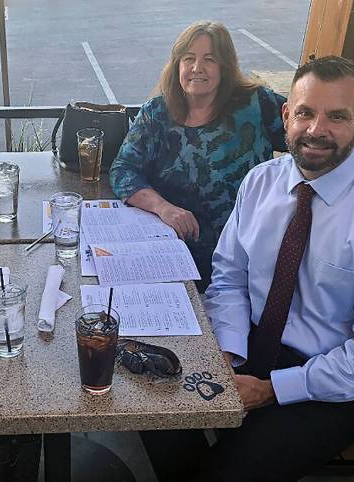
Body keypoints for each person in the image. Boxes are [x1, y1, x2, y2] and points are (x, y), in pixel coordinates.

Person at [142, 56, 354, 481]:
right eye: (306, 113)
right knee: (151, 405)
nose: (316, 130)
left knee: (229, 471)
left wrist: (274, 389)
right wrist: (225, 351)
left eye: (337, 117)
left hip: (330, 378)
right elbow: (229, 278)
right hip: (249, 343)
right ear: (287, 115)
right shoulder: (260, 181)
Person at [109, 21, 286, 291]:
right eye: (188, 58)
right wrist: (163, 207)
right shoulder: (157, 113)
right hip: (174, 253)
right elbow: (123, 169)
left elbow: (307, 138)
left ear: (226, 66)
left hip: (243, 257)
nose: (197, 68)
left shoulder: (258, 104)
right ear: (177, 65)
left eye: (209, 59)